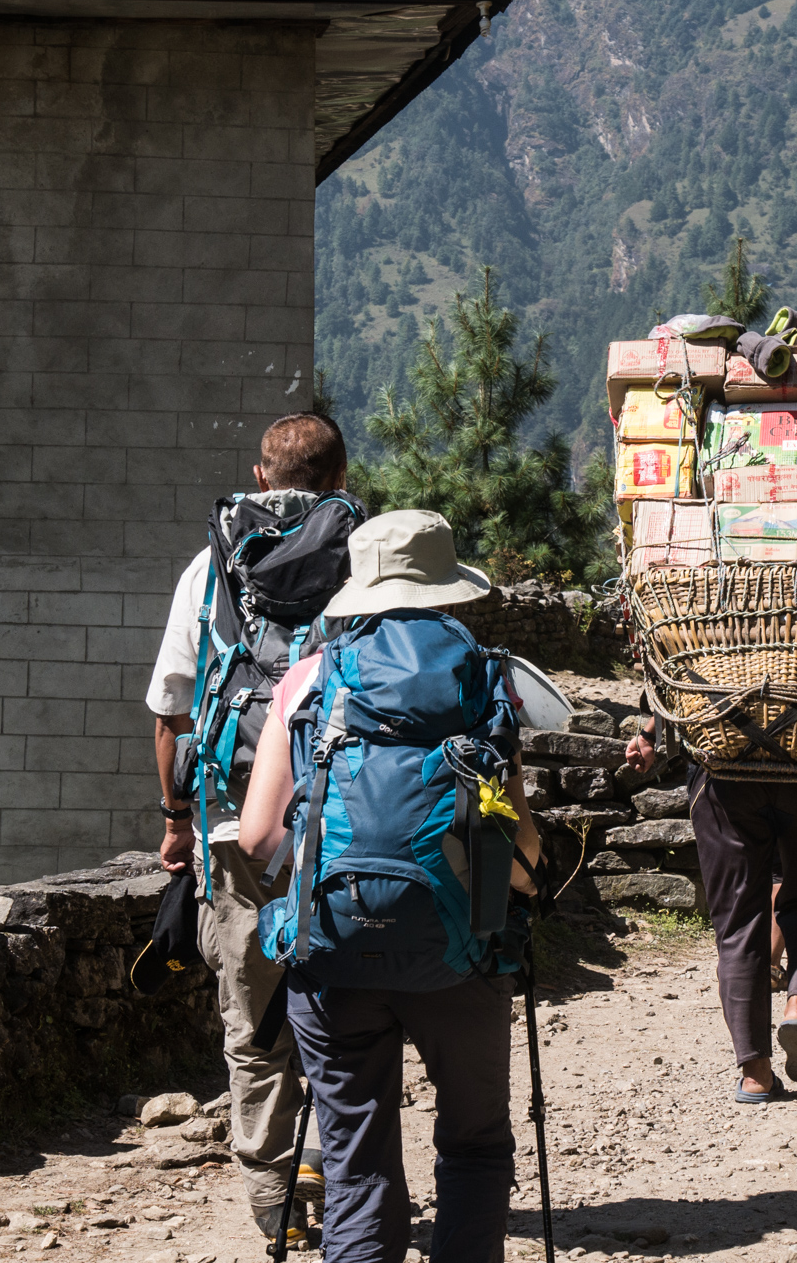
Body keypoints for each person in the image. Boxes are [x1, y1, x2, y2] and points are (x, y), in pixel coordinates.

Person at [237, 510, 544, 1263]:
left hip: (334, 949)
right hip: (459, 953)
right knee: (474, 1144)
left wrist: (344, 872)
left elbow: (256, 835)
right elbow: (520, 848)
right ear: (446, 587)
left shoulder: (309, 679)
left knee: (355, 1163)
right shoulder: (480, 675)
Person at [148, 412, 359, 1246]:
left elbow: (171, 707)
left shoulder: (211, 569)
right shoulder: (363, 562)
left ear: (260, 477)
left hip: (235, 824)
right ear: (341, 480)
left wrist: (174, 821)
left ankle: (273, 1199)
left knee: (250, 1012)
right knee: (345, 994)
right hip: (336, 816)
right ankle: (336, 1175)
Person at [626, 713, 797, 1100]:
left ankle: (755, 1075)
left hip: (724, 782)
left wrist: (649, 733)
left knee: (738, 921)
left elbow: (675, 673)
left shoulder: (713, 648)